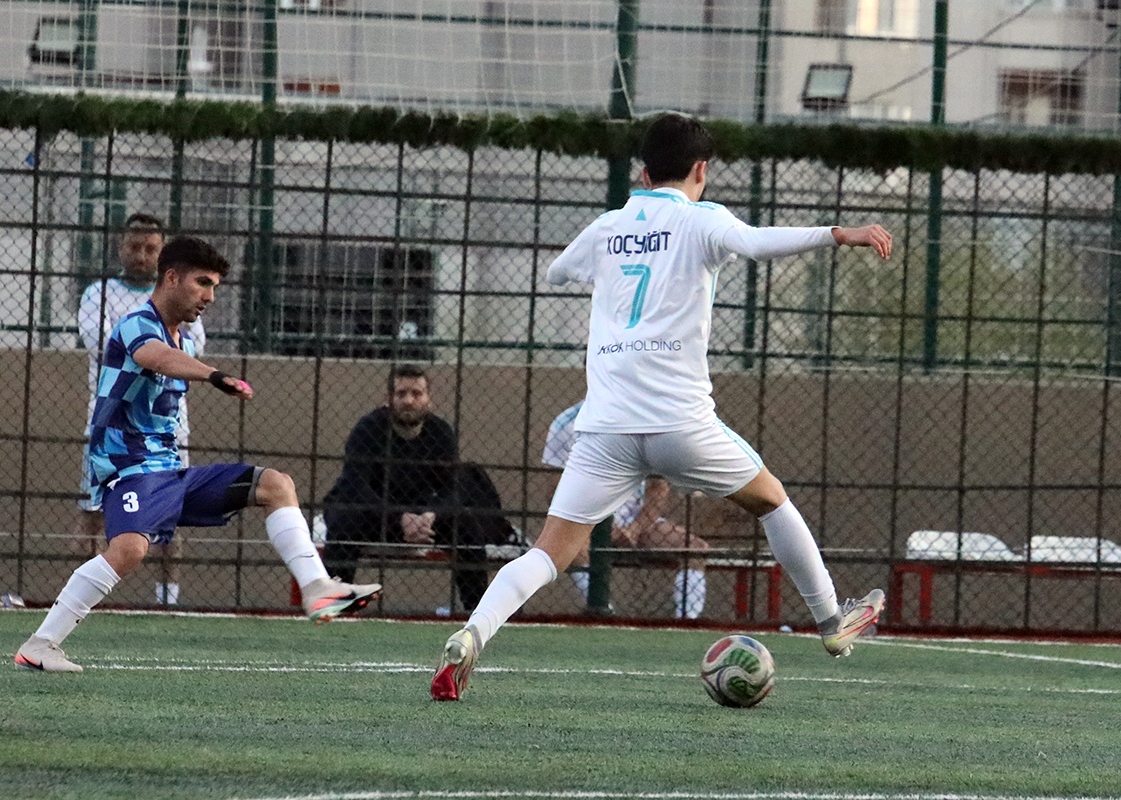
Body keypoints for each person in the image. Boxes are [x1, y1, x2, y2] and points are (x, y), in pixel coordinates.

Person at [431, 112, 893, 700]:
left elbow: (557, 271)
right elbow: (756, 243)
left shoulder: (608, 226)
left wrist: (616, 263)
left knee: (549, 552)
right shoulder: (703, 219)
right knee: (771, 499)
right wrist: (837, 233)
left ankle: (472, 634)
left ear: (643, 173)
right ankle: (831, 622)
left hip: (606, 429)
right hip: (680, 423)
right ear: (702, 169)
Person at [15, 236, 380, 673]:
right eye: (202, 283)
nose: (210, 296)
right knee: (129, 550)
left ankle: (317, 587)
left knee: (275, 485)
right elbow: (156, 357)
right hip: (130, 471)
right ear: (171, 278)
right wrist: (215, 375)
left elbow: (171, 359)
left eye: (215, 287)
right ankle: (40, 644)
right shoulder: (135, 324)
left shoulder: (184, 340)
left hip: (170, 473)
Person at [75, 213, 201, 606]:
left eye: (151, 248)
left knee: (169, 513)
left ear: (163, 255)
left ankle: (168, 599)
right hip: (110, 423)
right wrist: (156, 352)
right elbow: (106, 346)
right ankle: (83, 599)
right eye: (134, 246)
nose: (141, 255)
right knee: (93, 513)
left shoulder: (181, 298)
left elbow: (192, 350)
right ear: (120, 247)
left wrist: (151, 351)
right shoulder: (98, 294)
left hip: (167, 427)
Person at [321, 365, 506, 611]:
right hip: (376, 515)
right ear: (389, 398)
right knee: (343, 521)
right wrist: (398, 518)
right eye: (401, 393)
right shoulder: (368, 429)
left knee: (467, 527)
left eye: (417, 393)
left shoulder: (441, 432)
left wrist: (431, 515)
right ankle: (334, 605)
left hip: (422, 519)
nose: (408, 400)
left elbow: (452, 489)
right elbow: (355, 486)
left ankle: (478, 612)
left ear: (428, 399)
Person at [544, 399, 709, 619]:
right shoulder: (566, 423)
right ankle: (603, 615)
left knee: (695, 549)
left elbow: (658, 488)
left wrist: (634, 528)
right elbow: (556, 491)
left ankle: (688, 621)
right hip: (585, 520)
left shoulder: (649, 419)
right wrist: (601, 527)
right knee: (574, 550)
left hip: (635, 520)